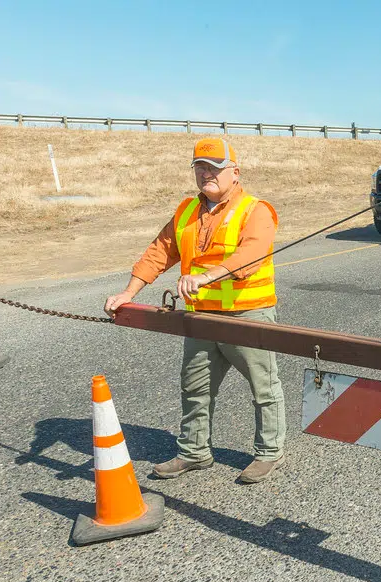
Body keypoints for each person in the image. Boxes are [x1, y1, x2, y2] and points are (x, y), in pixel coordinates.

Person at [104, 138, 286, 484]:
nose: (206, 174)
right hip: (201, 317)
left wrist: (206, 276)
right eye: (200, 168)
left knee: (263, 387)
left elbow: (250, 256)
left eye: (215, 168)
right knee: (195, 386)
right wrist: (128, 292)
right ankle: (194, 451)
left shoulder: (255, 210)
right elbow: (159, 252)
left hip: (247, 314)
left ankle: (269, 452)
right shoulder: (186, 211)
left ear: (235, 172)